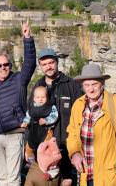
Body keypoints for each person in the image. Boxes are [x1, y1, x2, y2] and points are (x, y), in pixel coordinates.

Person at [0, 21, 36, 186]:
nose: (3, 68)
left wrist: (27, 38)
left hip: (15, 134)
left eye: (6, 64)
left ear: (10, 66)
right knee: (2, 177)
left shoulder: (18, 80)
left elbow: (29, 64)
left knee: (14, 178)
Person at [66, 63, 116, 186]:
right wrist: (74, 153)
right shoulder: (78, 105)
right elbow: (72, 133)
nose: (91, 89)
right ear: (82, 86)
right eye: (87, 85)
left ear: (102, 83)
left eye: (94, 84)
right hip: (85, 175)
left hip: (108, 178)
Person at [31, 48, 82, 184]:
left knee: (67, 182)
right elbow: (31, 116)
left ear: (57, 62)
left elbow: (80, 115)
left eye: (51, 62)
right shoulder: (38, 86)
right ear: (40, 66)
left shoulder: (72, 85)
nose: (48, 66)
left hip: (66, 146)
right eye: (44, 64)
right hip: (44, 148)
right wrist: (29, 145)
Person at [22, 86, 60, 185]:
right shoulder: (31, 107)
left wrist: (46, 120)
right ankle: (31, 162)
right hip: (34, 132)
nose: (40, 99)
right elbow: (28, 116)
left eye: (43, 97)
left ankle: (48, 168)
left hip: (46, 132)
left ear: (47, 98)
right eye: (38, 97)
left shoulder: (50, 107)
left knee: (46, 150)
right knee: (29, 147)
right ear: (34, 98)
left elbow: (55, 116)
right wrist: (25, 122)